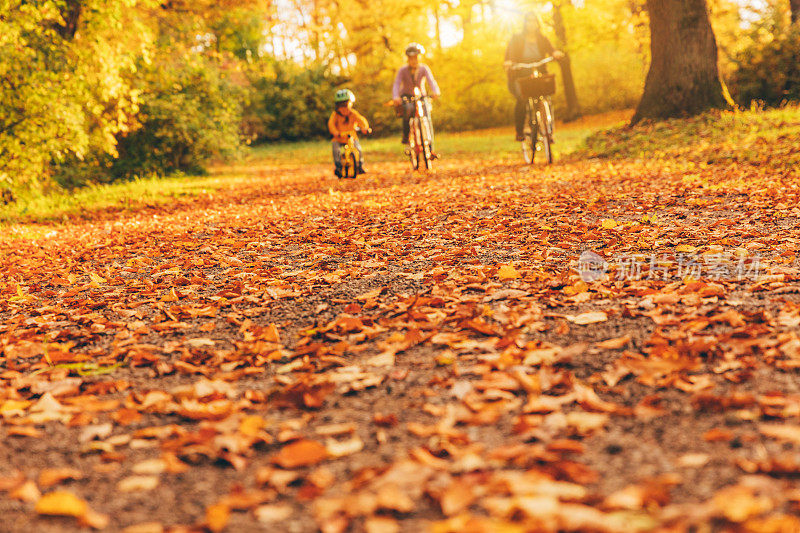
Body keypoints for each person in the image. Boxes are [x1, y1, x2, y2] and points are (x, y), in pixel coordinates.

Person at [504, 13, 564, 141]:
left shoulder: (542, 38)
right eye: (529, 21)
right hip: (521, 73)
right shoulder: (517, 39)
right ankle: (520, 131)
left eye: (534, 21)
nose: (531, 24)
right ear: (525, 23)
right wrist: (509, 62)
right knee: (522, 98)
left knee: (545, 96)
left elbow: (551, 49)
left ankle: (548, 130)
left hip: (540, 71)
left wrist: (555, 53)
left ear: (538, 23)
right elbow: (509, 55)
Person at [392, 43, 441, 152]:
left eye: (416, 58)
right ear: (408, 59)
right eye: (411, 58)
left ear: (419, 58)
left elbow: (431, 81)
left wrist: (436, 91)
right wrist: (396, 97)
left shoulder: (424, 69)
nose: (414, 60)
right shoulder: (403, 70)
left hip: (421, 96)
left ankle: (430, 149)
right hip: (406, 96)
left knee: (427, 117)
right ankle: (406, 137)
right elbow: (396, 84)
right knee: (408, 110)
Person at [328, 89, 371, 178]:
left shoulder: (353, 114)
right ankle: (338, 167)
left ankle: (359, 166)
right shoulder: (335, 115)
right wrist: (335, 132)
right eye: (341, 106)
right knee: (336, 150)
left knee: (358, 149)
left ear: (350, 104)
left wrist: (365, 128)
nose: (344, 108)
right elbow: (331, 124)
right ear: (337, 107)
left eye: (346, 105)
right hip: (339, 137)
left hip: (351, 137)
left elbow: (361, 120)